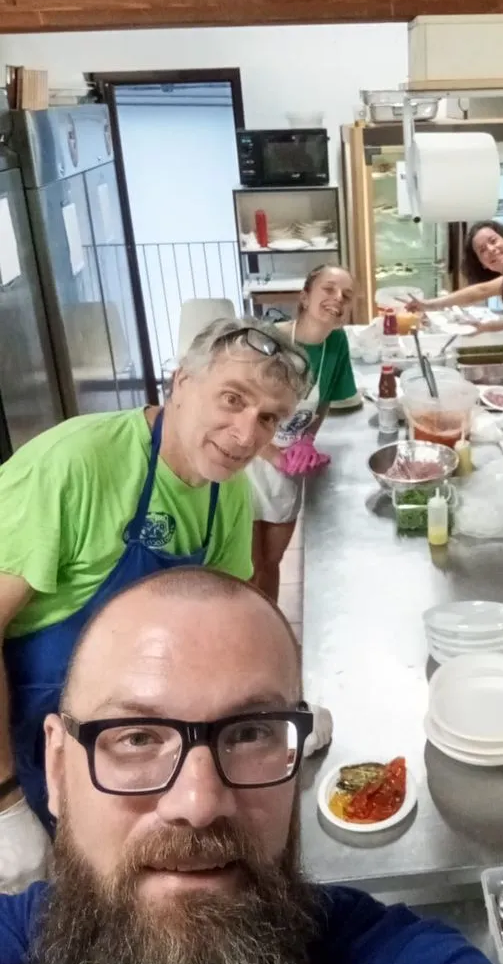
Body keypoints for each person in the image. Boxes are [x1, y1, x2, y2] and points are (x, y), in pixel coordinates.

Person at [0, 566, 502, 964]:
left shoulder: (391, 957)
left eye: (249, 734)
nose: (199, 804)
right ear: (58, 768)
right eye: (137, 738)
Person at [0, 318, 308, 872]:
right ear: (181, 382)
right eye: (232, 399)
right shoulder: (76, 465)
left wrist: (274, 708)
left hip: (129, 745)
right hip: (22, 739)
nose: (245, 435)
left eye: (268, 418)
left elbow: (224, 630)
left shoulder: (226, 492)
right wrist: (4, 802)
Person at [247, 265, 357, 601]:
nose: (338, 299)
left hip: (287, 467)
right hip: (247, 462)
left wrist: (307, 438)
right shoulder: (269, 342)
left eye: (346, 295)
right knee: (248, 566)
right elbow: (242, 414)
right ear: (305, 297)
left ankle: (272, 623)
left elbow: (324, 399)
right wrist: (273, 455)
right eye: (329, 289)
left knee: (272, 561)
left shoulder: (336, 342)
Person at [406, 220, 503, 342]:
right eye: (482, 250)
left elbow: (481, 291)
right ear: (482, 264)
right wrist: (483, 327)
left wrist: (429, 305)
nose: (491, 249)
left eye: (493, 241)